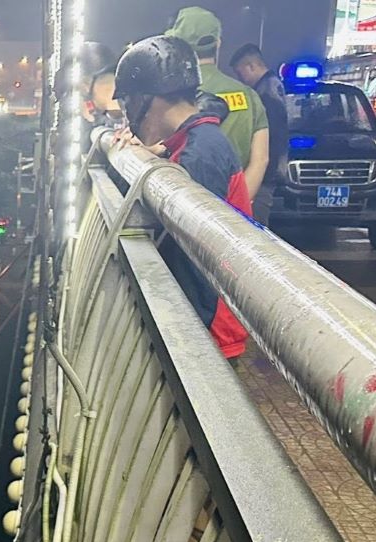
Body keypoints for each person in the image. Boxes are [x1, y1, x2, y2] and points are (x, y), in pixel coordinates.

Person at [112, 35, 250, 361]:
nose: (128, 114)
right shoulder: (193, 141)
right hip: (205, 318)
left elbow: (192, 242)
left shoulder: (201, 153)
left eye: (128, 102)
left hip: (210, 325)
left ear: (150, 100)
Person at [165, 7, 269, 202]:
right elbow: (260, 159)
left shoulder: (172, 94)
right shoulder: (249, 96)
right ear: (218, 44)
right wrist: (235, 207)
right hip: (236, 212)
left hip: (185, 206)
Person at [229, 43, 288, 223]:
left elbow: (271, 138)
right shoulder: (272, 87)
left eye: (240, 73)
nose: (241, 79)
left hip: (263, 176)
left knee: (255, 229)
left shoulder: (266, 93)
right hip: (268, 174)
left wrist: (259, 171)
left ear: (252, 66)